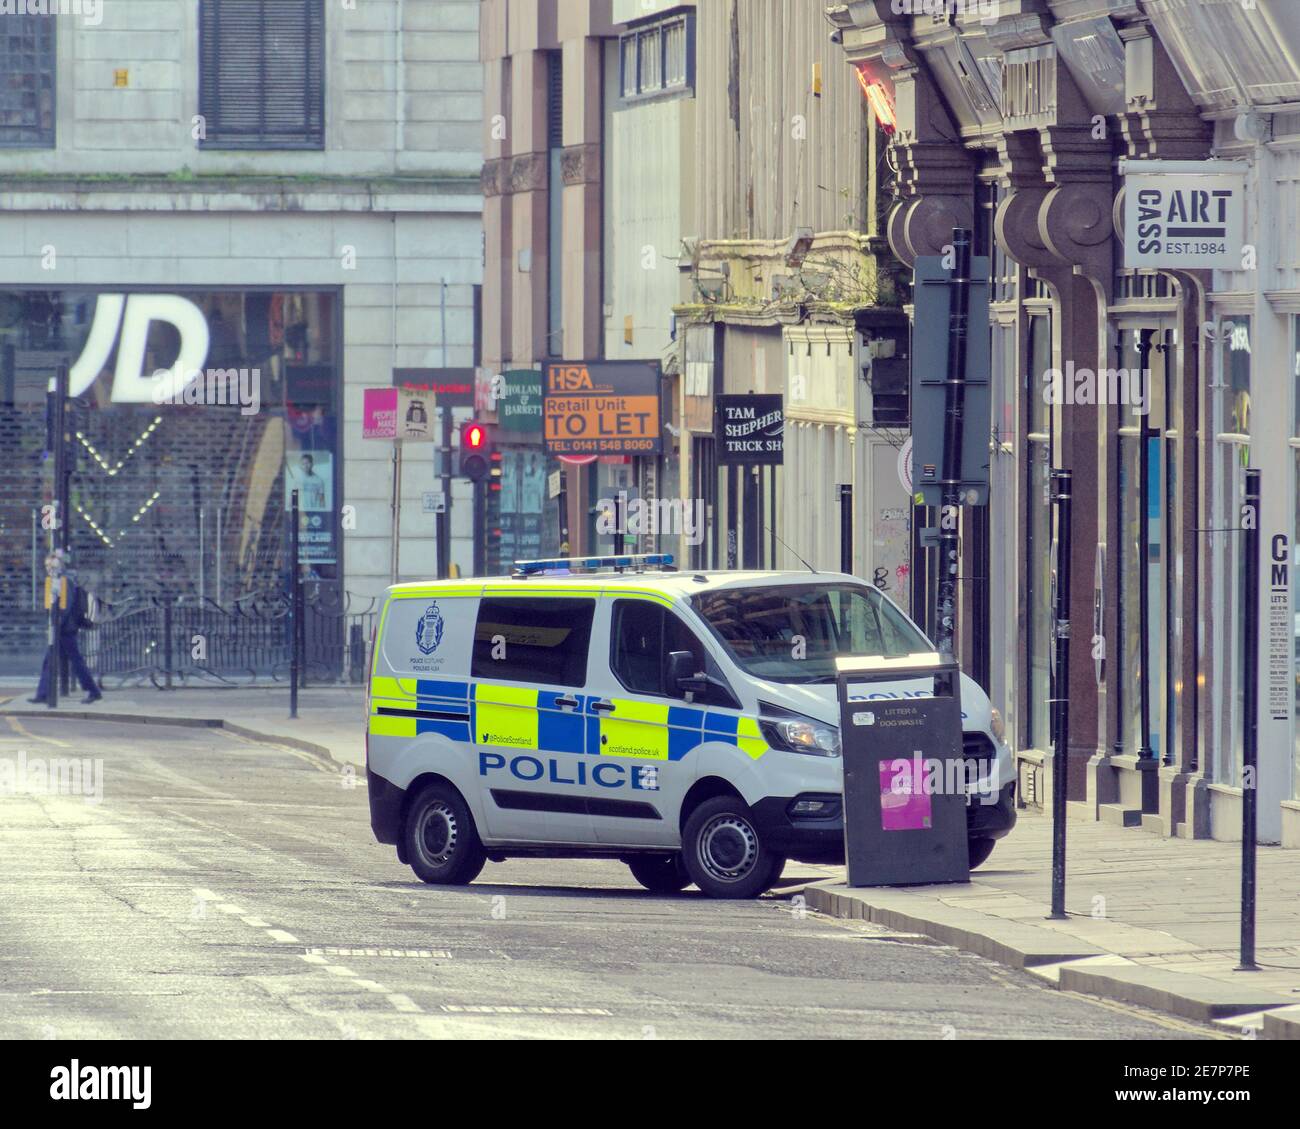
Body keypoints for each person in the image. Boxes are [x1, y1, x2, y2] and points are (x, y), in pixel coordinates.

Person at [30, 554, 101, 705]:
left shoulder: (64, 582)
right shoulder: (53, 581)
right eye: (48, 566)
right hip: (60, 628)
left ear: (60, 567)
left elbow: (65, 607)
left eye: (53, 566)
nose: (50, 569)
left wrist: (55, 626)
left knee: (74, 661)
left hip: (64, 629)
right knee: (52, 661)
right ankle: (43, 693)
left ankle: (93, 691)